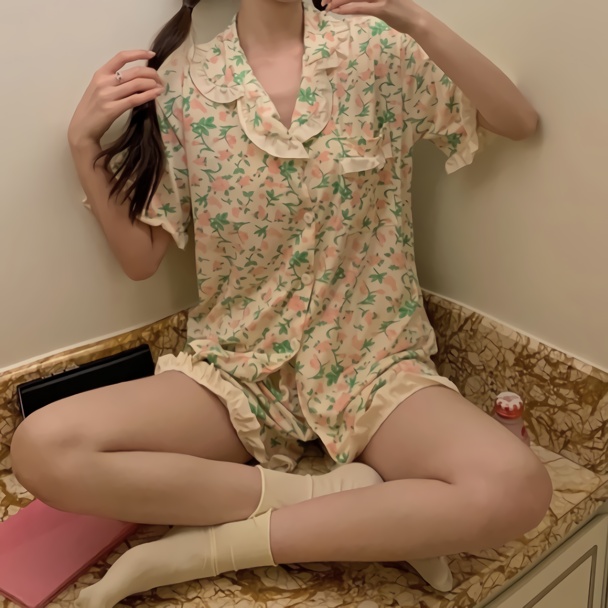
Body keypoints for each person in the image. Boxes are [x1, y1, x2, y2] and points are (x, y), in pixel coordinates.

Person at [11, 0, 552, 605]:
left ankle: (198, 552)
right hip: (238, 370)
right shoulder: (185, 89)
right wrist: (82, 144)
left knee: (515, 486)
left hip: (374, 365)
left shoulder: (376, 50)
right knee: (43, 449)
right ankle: (331, 499)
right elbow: (141, 259)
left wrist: (412, 17)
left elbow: (517, 120)